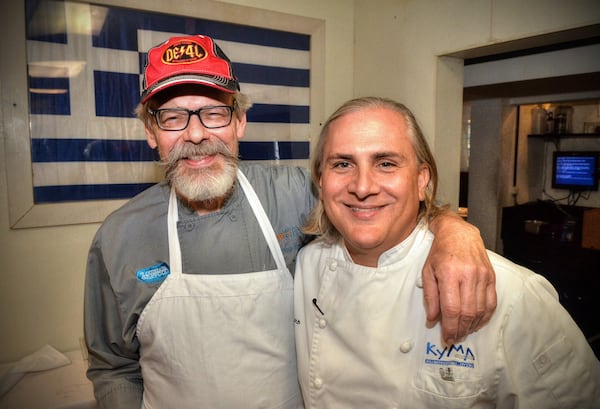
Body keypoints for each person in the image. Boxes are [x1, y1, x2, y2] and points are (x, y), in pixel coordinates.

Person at [84, 35, 496, 409]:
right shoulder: (121, 235)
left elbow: (388, 202)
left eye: (214, 113)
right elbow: (113, 367)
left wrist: (455, 230)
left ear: (240, 122)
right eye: (172, 117)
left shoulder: (292, 194)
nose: (195, 135)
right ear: (150, 131)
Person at [294, 96, 600, 408]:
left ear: (420, 180)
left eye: (385, 163)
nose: (362, 186)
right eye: (342, 164)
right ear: (321, 180)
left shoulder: (512, 295)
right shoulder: (308, 265)